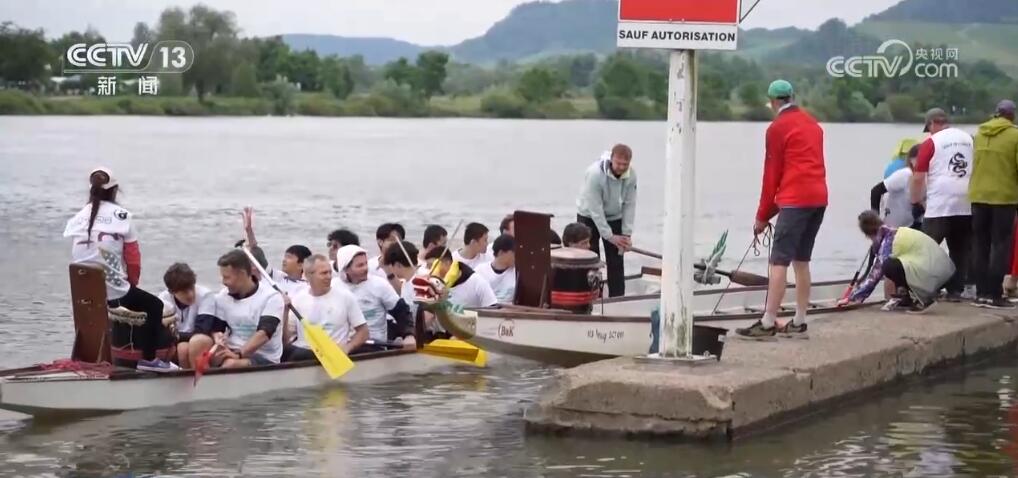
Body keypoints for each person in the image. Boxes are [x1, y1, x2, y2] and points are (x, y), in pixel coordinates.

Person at [63, 168, 178, 372]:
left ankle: (87, 356)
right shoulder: (122, 217)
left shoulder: (78, 218)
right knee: (154, 305)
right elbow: (133, 260)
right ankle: (149, 360)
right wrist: (131, 285)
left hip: (85, 293)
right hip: (114, 292)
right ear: (114, 191)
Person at [738, 80, 828, 338]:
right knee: (802, 260)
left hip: (794, 200)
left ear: (773, 101)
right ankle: (799, 320)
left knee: (779, 261)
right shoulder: (814, 124)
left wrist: (762, 216)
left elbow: (772, 174)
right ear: (792, 97)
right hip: (819, 197)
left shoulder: (777, 128)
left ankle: (768, 322)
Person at [910, 107, 974, 302]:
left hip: (939, 204)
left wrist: (915, 201)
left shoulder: (930, 142)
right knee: (960, 250)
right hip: (966, 202)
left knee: (927, 248)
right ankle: (955, 291)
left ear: (931, 124)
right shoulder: (969, 139)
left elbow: (918, 177)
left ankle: (923, 290)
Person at [841, 211, 953, 313]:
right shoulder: (892, 231)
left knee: (889, 266)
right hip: (942, 268)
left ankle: (923, 298)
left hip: (934, 273)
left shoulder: (888, 240)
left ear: (867, 233)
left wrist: (853, 297)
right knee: (895, 264)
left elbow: (876, 273)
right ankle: (906, 298)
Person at [189, 250, 285, 368]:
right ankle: (199, 379)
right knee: (198, 346)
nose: (223, 282)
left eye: (227, 277)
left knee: (230, 364)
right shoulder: (223, 296)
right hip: (232, 349)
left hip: (263, 356)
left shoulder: (271, 297)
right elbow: (217, 328)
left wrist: (239, 354)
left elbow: (264, 334)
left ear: (242, 274)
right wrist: (217, 336)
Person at [969, 100, 1018, 309]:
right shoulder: (1015, 135)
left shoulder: (979, 134)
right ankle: (995, 295)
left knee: (980, 244)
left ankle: (981, 293)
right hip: (1003, 198)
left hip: (978, 196)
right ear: (1012, 115)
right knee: (1000, 245)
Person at [576, 144, 637, 297]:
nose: (621, 167)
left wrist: (626, 235)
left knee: (616, 261)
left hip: (614, 216)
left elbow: (629, 204)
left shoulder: (631, 175)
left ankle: (618, 298)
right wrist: (609, 236)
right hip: (588, 215)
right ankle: (592, 297)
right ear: (611, 159)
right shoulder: (594, 174)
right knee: (591, 259)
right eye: (618, 163)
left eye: (625, 164)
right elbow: (595, 208)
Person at [284, 254, 369, 362]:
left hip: (333, 354)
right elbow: (286, 339)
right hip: (306, 354)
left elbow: (363, 332)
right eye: (324, 273)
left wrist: (348, 348)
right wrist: (285, 312)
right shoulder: (298, 299)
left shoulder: (345, 297)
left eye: (330, 272)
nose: (329, 277)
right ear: (308, 275)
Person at [333, 245, 416, 350]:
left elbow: (402, 311)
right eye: (360, 265)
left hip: (375, 347)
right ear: (346, 269)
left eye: (366, 263)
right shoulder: (333, 287)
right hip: (342, 347)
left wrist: (409, 335)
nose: (365, 268)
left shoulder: (379, 285)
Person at [242, 207, 310, 296]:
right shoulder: (278, 276)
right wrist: (249, 231)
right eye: (285, 256)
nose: (284, 260)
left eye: (289, 257)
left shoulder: (307, 287)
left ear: (301, 265)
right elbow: (258, 257)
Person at [158, 263, 214, 369]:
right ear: (172, 292)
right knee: (182, 349)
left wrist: (177, 336)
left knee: (192, 344)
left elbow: (202, 330)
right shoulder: (163, 299)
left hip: (201, 340)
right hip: (181, 343)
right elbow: (163, 333)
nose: (190, 294)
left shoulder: (205, 295)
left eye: (192, 288)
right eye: (184, 292)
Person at [871, 145, 922, 229]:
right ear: (911, 160)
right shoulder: (905, 174)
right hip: (892, 227)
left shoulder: (927, 177)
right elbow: (875, 191)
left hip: (911, 225)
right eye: (921, 158)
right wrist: (874, 221)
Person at [427, 248, 497, 308]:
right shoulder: (431, 285)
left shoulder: (476, 281)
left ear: (447, 263)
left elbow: (492, 308)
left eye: (432, 265)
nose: (430, 271)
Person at [381, 240, 425, 329]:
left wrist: (412, 333)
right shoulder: (407, 281)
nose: (391, 269)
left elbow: (428, 315)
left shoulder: (421, 281)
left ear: (398, 265)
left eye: (391, 265)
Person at [475, 234, 516, 303]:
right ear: (501, 253)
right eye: (514, 253)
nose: (517, 256)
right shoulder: (480, 271)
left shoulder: (517, 273)